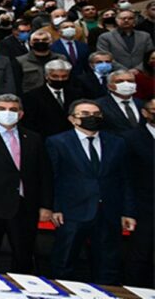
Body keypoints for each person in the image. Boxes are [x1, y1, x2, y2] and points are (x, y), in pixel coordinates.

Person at [47, 99, 135, 284]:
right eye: (85, 114)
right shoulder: (57, 142)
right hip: (71, 212)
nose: (92, 118)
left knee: (108, 266)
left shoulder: (117, 142)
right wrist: (55, 207)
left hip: (108, 212)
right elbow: (52, 178)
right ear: (72, 119)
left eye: (96, 114)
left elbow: (125, 179)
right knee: (63, 263)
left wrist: (127, 212)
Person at [0, 95, 53, 273]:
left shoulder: (34, 138)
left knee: (24, 256)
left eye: (13, 109)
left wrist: (46, 205)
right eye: (2, 109)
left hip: (25, 206)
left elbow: (44, 174)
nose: (7, 113)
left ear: (21, 114)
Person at [123, 99, 154, 287]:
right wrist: (128, 210)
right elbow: (126, 177)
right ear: (145, 113)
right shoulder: (130, 138)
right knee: (139, 256)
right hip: (143, 208)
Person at [22, 60, 83, 139]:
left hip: (72, 138)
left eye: (64, 76)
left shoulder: (77, 94)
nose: (60, 79)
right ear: (46, 76)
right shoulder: (32, 96)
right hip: (45, 138)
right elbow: (30, 123)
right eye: (55, 76)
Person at [96, 70, 144, 135]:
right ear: (109, 86)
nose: (126, 84)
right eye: (119, 81)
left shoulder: (142, 104)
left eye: (130, 81)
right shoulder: (99, 105)